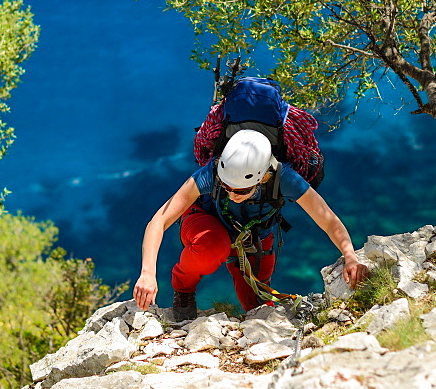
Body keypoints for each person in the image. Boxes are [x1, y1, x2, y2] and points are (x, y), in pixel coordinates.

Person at [133, 129, 368, 321]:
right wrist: (147, 274)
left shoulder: (284, 178)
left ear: (263, 177)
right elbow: (159, 220)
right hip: (205, 222)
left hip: (255, 234)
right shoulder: (211, 173)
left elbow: (327, 218)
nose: (232, 194)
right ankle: (183, 290)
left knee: (257, 305)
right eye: (226, 187)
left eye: (242, 190)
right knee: (212, 246)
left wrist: (350, 256)